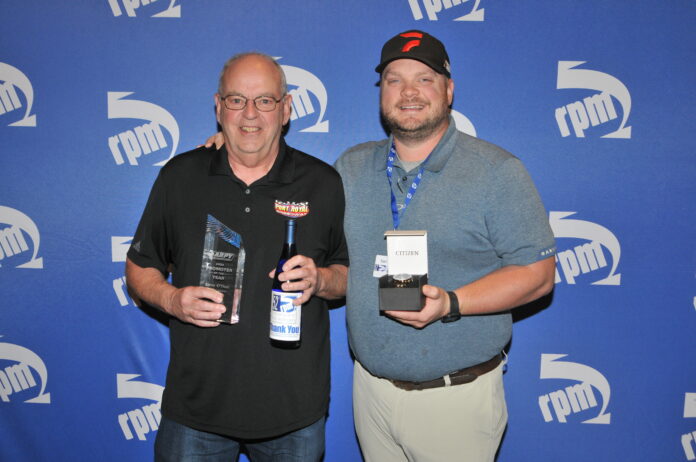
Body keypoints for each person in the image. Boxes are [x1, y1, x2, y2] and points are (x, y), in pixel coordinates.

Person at [333, 30, 557, 462]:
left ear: (448, 90)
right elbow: (295, 203)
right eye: (395, 80)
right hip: (370, 391)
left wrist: (451, 303)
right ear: (381, 93)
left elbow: (538, 275)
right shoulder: (352, 166)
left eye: (425, 79)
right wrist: (228, 153)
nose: (409, 92)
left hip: (455, 398)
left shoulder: (498, 171)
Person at [126, 52, 348, 461]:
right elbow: (139, 267)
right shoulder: (180, 176)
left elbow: (346, 275)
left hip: (293, 415)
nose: (250, 114)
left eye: (264, 100)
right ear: (218, 107)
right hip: (195, 413)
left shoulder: (323, 183)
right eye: (236, 100)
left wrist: (320, 280)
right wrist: (172, 300)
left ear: (286, 109)